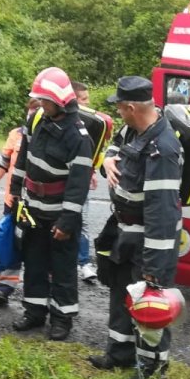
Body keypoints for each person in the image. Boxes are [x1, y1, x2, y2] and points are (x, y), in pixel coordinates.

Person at [87, 76, 183, 379]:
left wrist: (155, 268)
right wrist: (108, 160)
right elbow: (114, 153)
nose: (117, 111)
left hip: (150, 240)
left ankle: (152, 368)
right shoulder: (133, 131)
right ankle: (120, 352)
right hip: (123, 231)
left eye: (119, 106)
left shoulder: (163, 150)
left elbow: (162, 214)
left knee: (148, 302)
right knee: (120, 291)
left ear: (130, 107)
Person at [8, 67, 92, 341]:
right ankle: (34, 312)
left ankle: (62, 319)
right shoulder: (37, 120)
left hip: (59, 213)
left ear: (59, 101)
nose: (40, 104)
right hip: (33, 207)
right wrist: (15, 194)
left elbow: (78, 185)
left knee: (63, 267)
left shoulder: (78, 137)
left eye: (44, 100)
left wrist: (67, 222)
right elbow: (23, 159)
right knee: (33, 261)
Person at [0, 97, 38, 306]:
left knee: (37, 246)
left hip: (40, 204)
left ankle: (38, 292)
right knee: (11, 243)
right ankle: (4, 287)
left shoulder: (52, 136)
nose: (35, 113)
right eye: (33, 109)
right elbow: (4, 161)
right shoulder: (16, 135)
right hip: (15, 201)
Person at [73, 81, 113, 286]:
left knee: (84, 222)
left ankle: (83, 263)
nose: (88, 103)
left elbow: (95, 152)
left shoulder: (93, 124)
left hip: (84, 180)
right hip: (66, 183)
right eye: (83, 99)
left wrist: (93, 172)